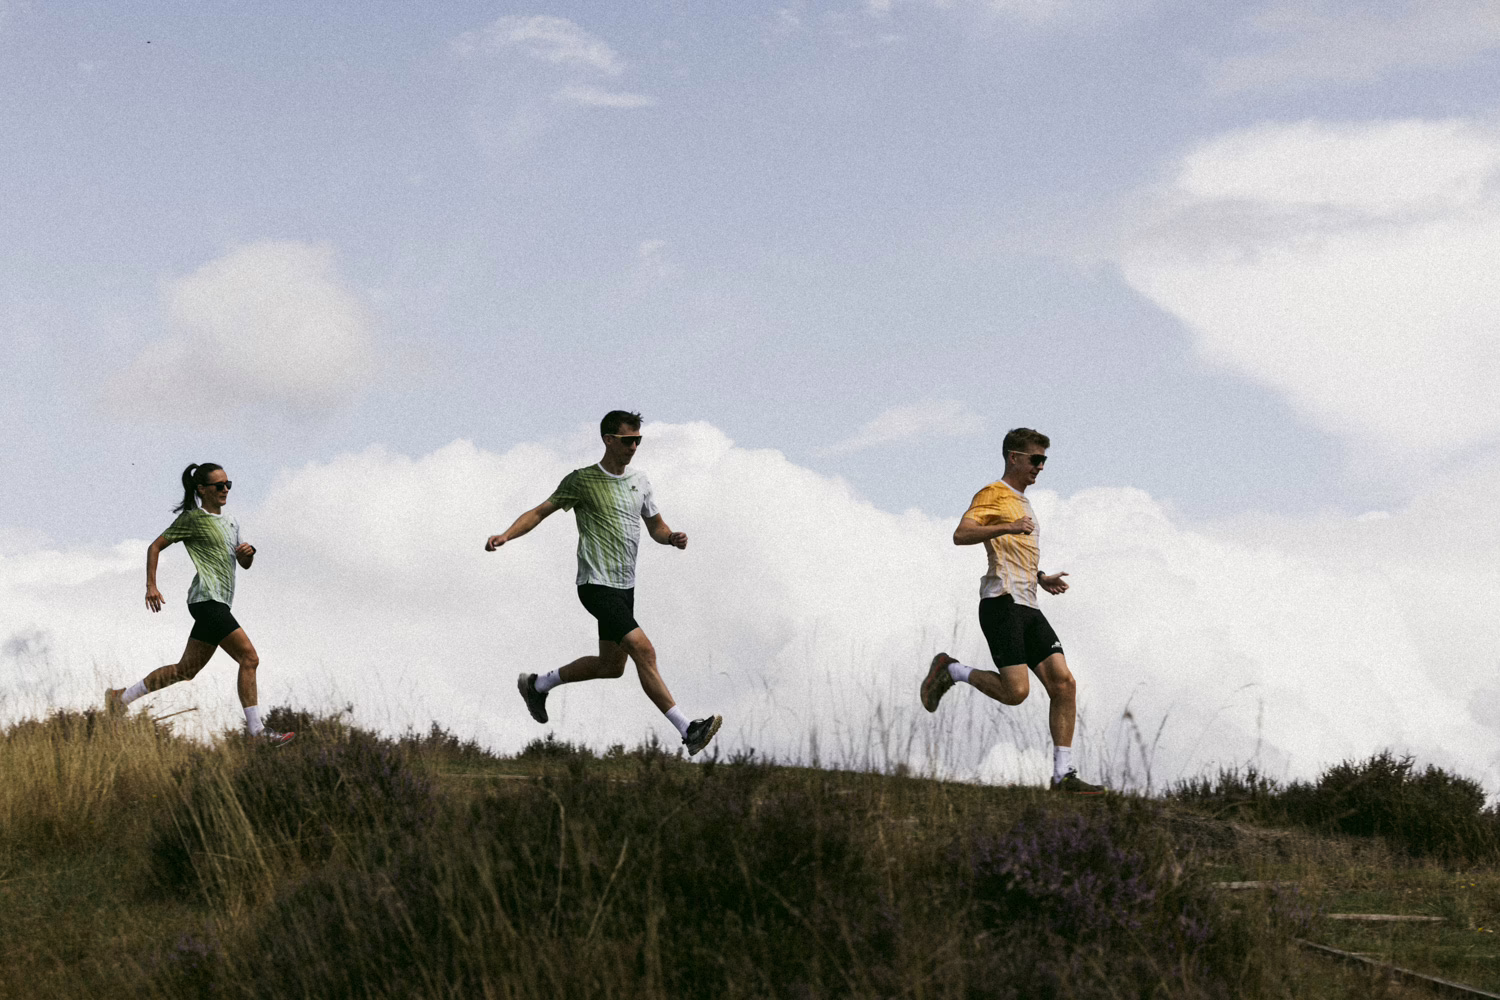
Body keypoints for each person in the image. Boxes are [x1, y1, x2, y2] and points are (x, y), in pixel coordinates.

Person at [487, 411, 722, 756]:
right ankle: (689, 730)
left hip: (625, 587)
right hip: (595, 585)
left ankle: (537, 685)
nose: (634, 447)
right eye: (628, 440)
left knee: (611, 666)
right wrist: (506, 535)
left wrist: (671, 537)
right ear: (608, 440)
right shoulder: (582, 480)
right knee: (644, 650)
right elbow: (539, 512)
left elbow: (656, 526)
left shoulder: (640, 481)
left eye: (638, 440)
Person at [920, 428, 1103, 794]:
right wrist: (1008, 525)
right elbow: (961, 534)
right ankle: (951, 669)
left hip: (1029, 604)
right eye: (1035, 459)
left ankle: (1062, 776)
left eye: (1044, 460)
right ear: (1013, 457)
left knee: (1064, 684)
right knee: (1016, 692)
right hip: (1001, 603)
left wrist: (1041, 577)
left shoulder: (1023, 501)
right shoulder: (993, 493)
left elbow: (1014, 551)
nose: (1041, 467)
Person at [106, 463, 294, 746]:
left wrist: (248, 553)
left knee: (185, 670)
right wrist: (151, 586)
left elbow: (244, 564)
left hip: (219, 604)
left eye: (228, 484)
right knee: (249, 658)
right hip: (206, 600)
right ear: (202, 490)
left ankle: (120, 698)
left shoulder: (232, 522)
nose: (225, 490)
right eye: (219, 486)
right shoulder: (192, 519)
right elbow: (155, 547)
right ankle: (257, 732)